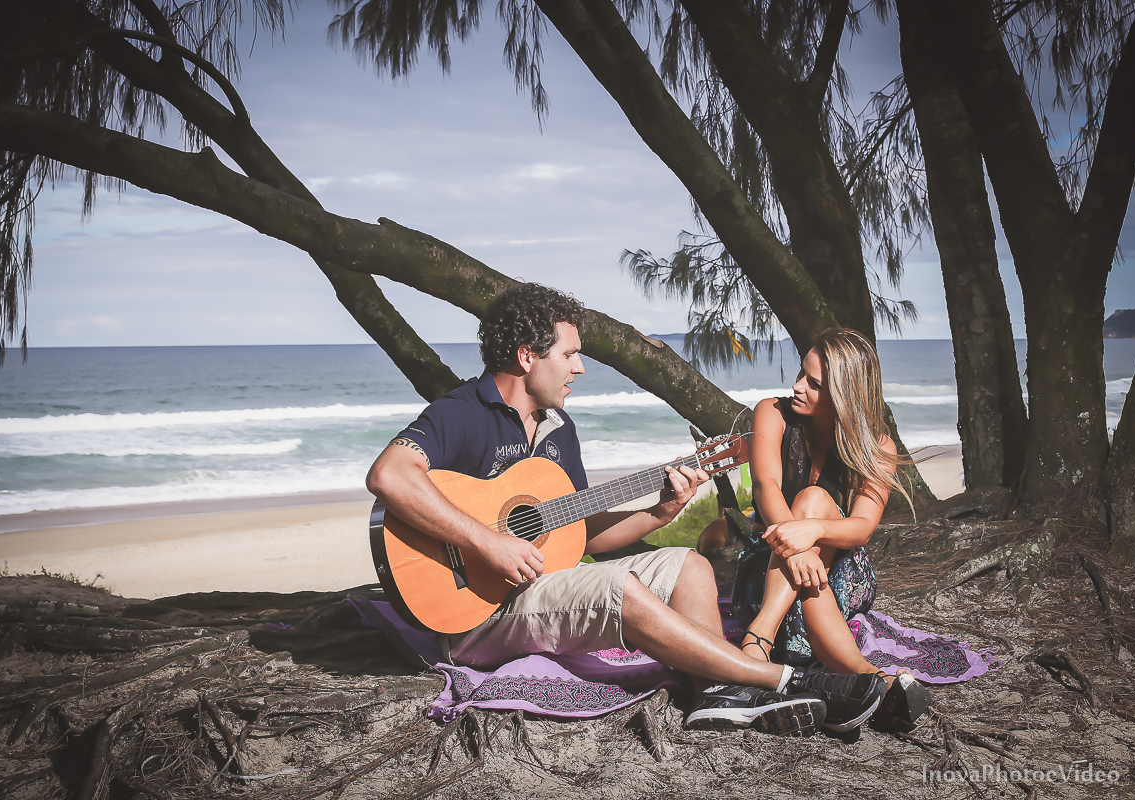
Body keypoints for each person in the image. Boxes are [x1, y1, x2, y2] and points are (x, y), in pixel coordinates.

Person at [366, 284, 887, 737]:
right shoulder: (461, 412)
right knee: (619, 590)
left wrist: (660, 512)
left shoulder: (557, 431)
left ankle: (717, 695)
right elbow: (389, 475)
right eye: (569, 354)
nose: (580, 366)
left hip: (541, 585)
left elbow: (581, 538)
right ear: (527, 357)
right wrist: (485, 540)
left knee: (691, 565)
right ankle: (782, 680)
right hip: (475, 610)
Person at [731, 328, 929, 731]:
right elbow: (766, 487)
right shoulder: (772, 412)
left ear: (845, 393)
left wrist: (811, 533)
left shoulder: (878, 446)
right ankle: (871, 679)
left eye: (814, 383)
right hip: (768, 566)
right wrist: (797, 546)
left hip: (840, 574)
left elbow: (861, 530)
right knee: (810, 503)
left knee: (815, 501)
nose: (797, 385)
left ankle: (757, 642)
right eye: (801, 373)